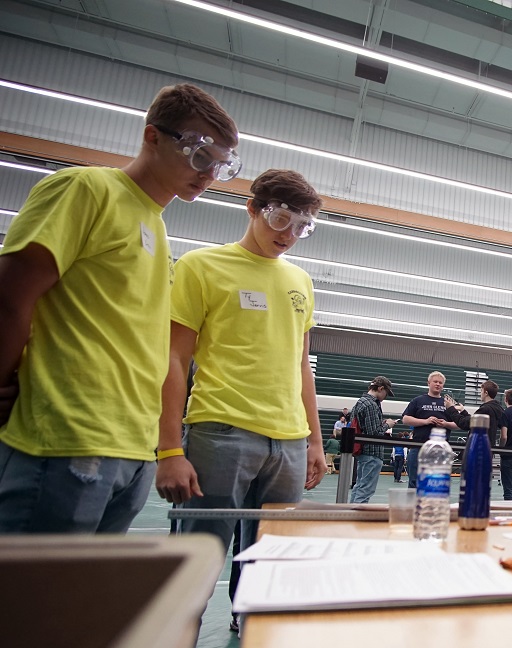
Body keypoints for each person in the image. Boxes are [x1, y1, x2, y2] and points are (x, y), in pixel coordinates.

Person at [0, 84, 239, 534]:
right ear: (153, 137)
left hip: (132, 449)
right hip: (68, 438)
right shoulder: (86, 189)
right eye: (199, 155)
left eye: (221, 164)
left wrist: (162, 448)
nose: (208, 172)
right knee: (32, 600)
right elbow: (10, 298)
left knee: (86, 601)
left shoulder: (156, 227)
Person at [155, 170, 327, 598]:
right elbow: (174, 358)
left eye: (303, 227)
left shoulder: (300, 282)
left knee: (268, 574)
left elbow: (301, 365)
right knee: (195, 568)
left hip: (289, 444)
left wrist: (315, 441)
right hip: (221, 434)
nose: (289, 234)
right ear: (253, 209)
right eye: (282, 219)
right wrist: (170, 448)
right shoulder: (201, 266)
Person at [401, 371, 460, 489]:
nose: (438, 384)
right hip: (419, 446)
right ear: (428, 383)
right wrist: (425, 421)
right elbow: (405, 419)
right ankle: (414, 507)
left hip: (440, 450)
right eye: (435, 382)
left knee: (436, 483)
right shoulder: (418, 400)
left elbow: (459, 424)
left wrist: (445, 424)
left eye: (440, 383)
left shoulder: (448, 404)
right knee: (414, 482)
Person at [349, 376, 397, 503]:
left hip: (363, 453)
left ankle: (350, 514)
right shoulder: (371, 405)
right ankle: (357, 517)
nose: (385, 397)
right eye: (386, 393)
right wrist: (388, 425)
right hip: (372, 453)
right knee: (365, 490)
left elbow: (365, 427)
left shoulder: (361, 402)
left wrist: (381, 423)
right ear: (381, 388)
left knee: (359, 487)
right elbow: (374, 434)